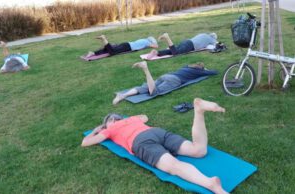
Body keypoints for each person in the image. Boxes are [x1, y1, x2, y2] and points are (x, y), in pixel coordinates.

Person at [81, 98, 228, 194]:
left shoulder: (110, 129)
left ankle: (210, 184)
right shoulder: (132, 119)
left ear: (110, 121)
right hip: (156, 131)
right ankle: (199, 110)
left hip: (140, 142)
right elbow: (144, 117)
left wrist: (96, 130)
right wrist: (131, 119)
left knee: (174, 166)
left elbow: (85, 142)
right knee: (198, 150)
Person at [112, 61, 217, 105]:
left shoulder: (186, 67)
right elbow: (214, 72)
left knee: (145, 87)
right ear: (201, 68)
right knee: (154, 92)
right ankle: (145, 68)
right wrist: (205, 69)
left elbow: (187, 65)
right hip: (174, 80)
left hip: (166, 76)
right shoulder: (199, 71)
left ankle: (122, 95)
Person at [146, 32, 218, 59]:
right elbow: (216, 44)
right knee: (176, 53)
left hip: (187, 41)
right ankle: (167, 37)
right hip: (190, 45)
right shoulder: (211, 39)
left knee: (173, 51)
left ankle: (157, 53)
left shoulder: (203, 34)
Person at [84, 35, 158, 58]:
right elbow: (155, 46)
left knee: (108, 50)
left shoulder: (144, 40)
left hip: (126, 44)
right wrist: (155, 43)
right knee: (112, 52)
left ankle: (92, 53)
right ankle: (104, 38)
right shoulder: (147, 42)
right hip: (128, 47)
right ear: (151, 41)